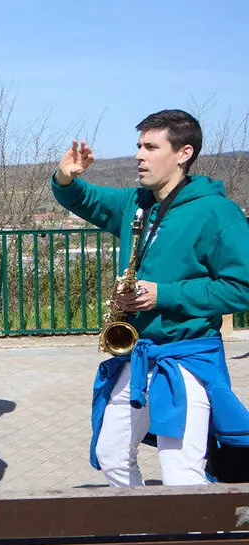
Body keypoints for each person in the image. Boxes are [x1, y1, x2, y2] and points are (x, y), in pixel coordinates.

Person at [51, 110, 249, 486]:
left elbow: (243, 287)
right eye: (138, 146)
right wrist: (66, 176)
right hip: (138, 357)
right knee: (110, 456)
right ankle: (143, 538)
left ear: (183, 153)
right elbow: (83, 198)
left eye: (151, 147)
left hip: (187, 359)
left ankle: (195, 544)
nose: (139, 155)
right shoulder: (136, 204)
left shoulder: (217, 212)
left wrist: (165, 295)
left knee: (181, 474)